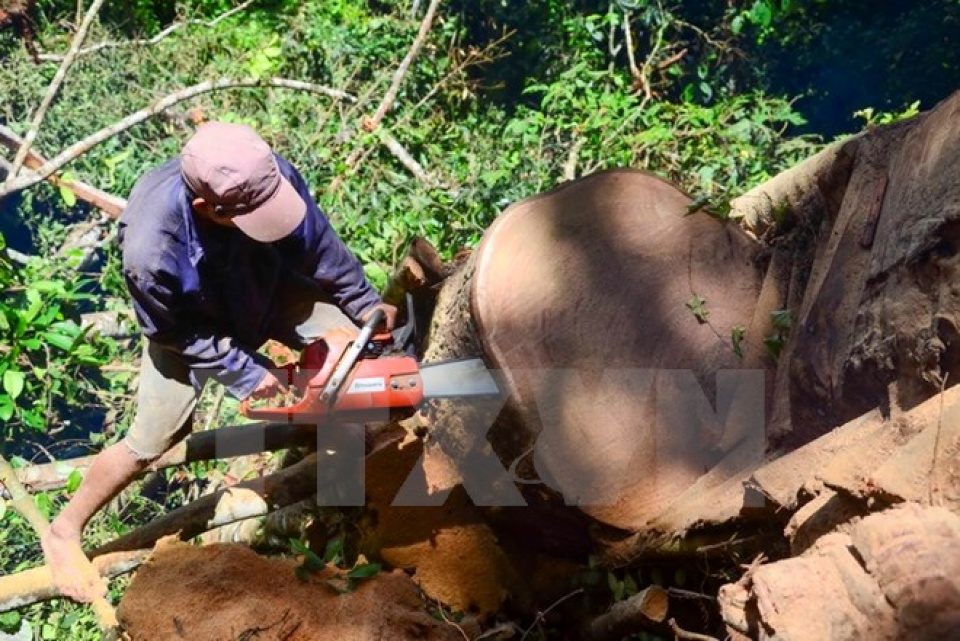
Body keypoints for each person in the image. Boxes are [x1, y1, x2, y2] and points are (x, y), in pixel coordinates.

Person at [40, 121, 398, 603]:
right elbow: (170, 330)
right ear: (204, 208)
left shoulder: (266, 175)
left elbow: (317, 246)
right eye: (252, 214)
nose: (271, 213)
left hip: (266, 287)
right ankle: (64, 530)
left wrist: (365, 305)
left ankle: (339, 495)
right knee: (152, 439)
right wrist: (247, 374)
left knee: (346, 345)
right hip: (190, 328)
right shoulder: (151, 249)